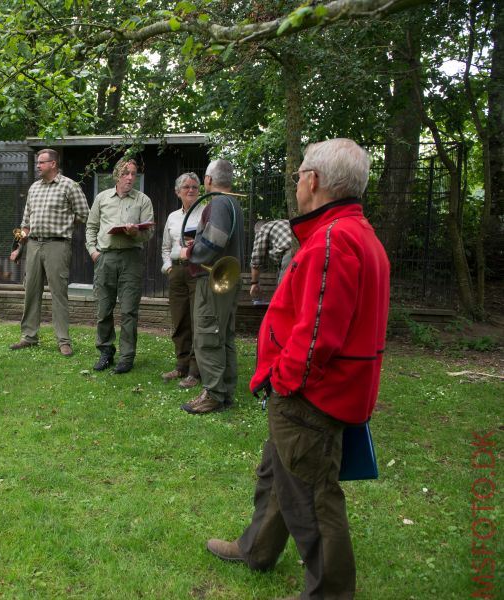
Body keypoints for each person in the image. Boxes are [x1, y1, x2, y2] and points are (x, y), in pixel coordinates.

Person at [206, 139, 390, 600]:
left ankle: (330, 592)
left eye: (299, 175)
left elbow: (317, 336)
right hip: (320, 391)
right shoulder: (354, 232)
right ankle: (257, 550)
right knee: (279, 473)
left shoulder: (334, 239)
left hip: (311, 395)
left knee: (310, 495)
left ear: (314, 181)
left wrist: (282, 382)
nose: (297, 184)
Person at [9, 149, 89, 357]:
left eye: (41, 162)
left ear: (53, 164)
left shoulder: (70, 186)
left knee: (58, 293)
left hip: (58, 245)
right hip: (34, 245)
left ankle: (63, 340)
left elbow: (84, 214)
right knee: (31, 292)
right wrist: (18, 247)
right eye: (38, 162)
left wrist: (65, 225)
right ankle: (29, 336)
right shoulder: (34, 188)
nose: (38, 166)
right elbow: (25, 223)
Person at [180, 158, 244, 414]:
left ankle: (214, 394)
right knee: (224, 335)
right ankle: (224, 390)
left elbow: (215, 239)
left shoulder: (218, 202)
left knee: (207, 335)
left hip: (213, 281)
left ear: (208, 179)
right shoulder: (233, 203)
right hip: (228, 281)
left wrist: (191, 253)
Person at [85, 157, 154, 374]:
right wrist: (93, 251)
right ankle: (106, 351)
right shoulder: (102, 198)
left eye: (133, 174)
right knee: (104, 309)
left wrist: (136, 233)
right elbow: (91, 227)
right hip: (105, 258)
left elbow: (149, 233)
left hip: (131, 259)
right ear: (117, 175)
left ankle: (126, 357)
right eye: (126, 173)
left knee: (129, 311)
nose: (130, 178)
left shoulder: (143, 200)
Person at [160, 173, 204, 389]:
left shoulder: (206, 213)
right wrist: (168, 267)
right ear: (178, 192)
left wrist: (199, 243)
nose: (191, 190)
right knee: (179, 320)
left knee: (197, 320)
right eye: (186, 187)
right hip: (176, 271)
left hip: (198, 270)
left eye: (195, 187)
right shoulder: (172, 217)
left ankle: (195, 372)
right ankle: (181, 365)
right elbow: (166, 247)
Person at [249, 218, 294, 301]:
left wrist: (254, 283)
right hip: (307, 250)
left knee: (283, 294)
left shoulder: (262, 230)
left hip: (290, 254)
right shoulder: (283, 222)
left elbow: (256, 259)